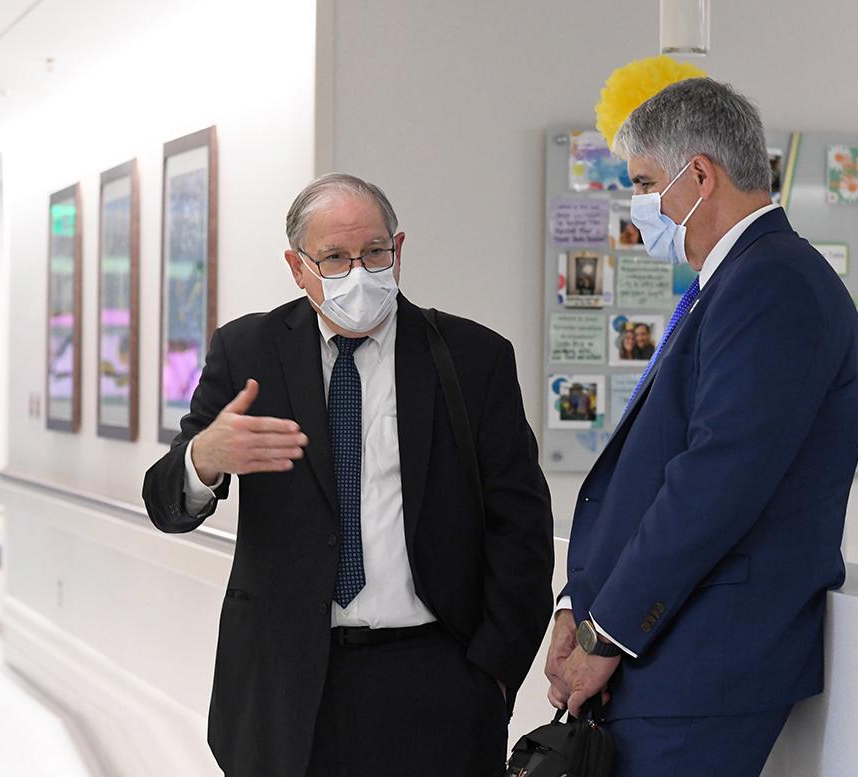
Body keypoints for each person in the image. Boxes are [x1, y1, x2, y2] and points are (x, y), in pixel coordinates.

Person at [142, 173, 554, 777]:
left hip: (437, 678)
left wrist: (492, 674)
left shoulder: (473, 357)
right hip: (286, 686)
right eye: (334, 258)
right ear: (297, 266)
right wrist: (203, 459)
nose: (359, 273)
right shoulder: (249, 350)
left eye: (375, 253)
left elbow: (520, 524)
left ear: (399, 249)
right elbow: (163, 503)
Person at [544, 78, 858, 777]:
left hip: (697, 664)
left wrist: (607, 632)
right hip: (665, 658)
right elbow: (657, 469)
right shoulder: (729, 284)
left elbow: (713, 482)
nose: (636, 208)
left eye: (643, 182)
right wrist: (579, 605)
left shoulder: (772, 282)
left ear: (698, 175)